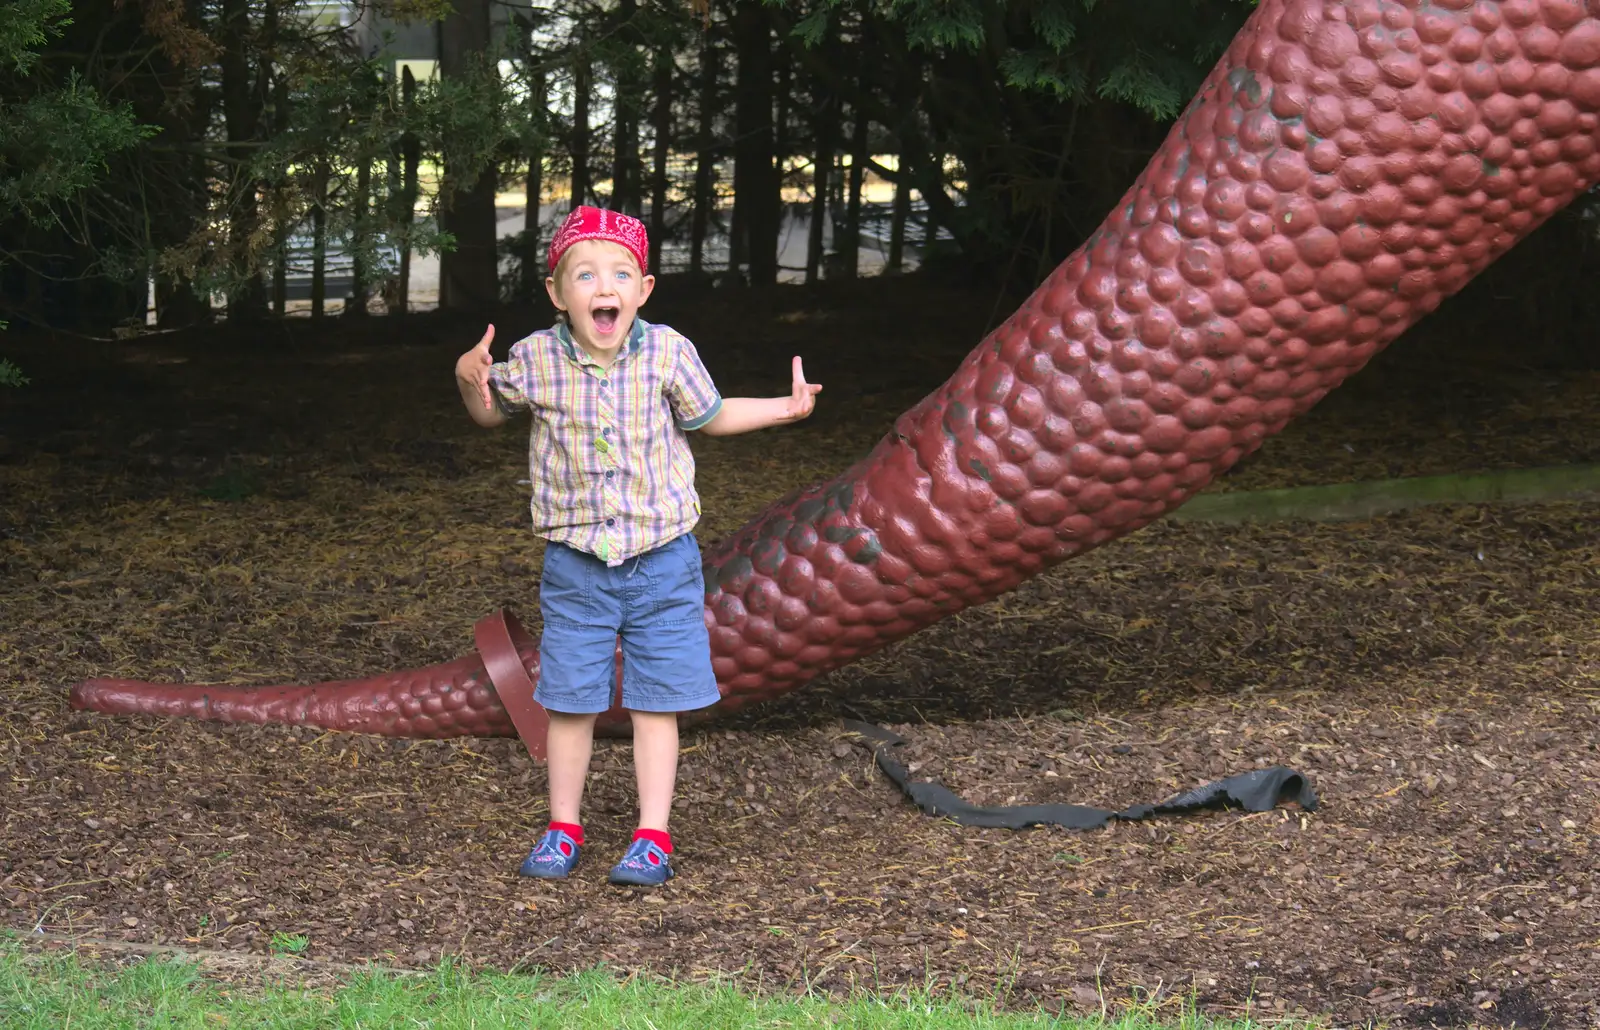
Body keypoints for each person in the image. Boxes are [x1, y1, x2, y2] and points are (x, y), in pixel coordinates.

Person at [453, 205, 821, 887]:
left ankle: (652, 835)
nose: (604, 286)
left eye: (620, 273)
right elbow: (486, 410)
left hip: (662, 561)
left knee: (658, 700)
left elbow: (712, 417)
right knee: (570, 700)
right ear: (557, 291)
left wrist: (785, 407)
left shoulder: (669, 353)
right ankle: (564, 826)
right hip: (576, 566)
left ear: (643, 289)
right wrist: (466, 375)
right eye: (585, 274)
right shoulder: (534, 360)